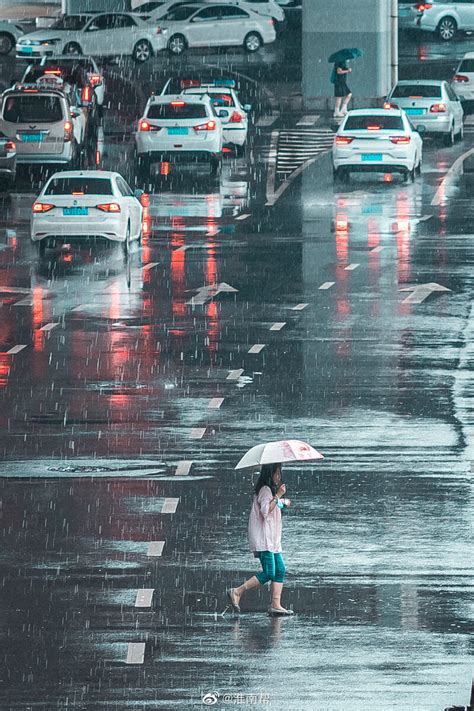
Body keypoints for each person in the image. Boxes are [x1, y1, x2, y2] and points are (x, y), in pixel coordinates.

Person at [226, 463, 294, 616]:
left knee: (280, 570)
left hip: (272, 539)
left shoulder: (269, 491)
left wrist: (283, 502)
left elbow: (273, 505)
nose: (279, 477)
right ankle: (237, 591)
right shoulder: (265, 490)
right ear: (270, 475)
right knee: (270, 572)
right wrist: (279, 496)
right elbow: (265, 510)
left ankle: (276, 604)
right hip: (264, 539)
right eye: (277, 473)